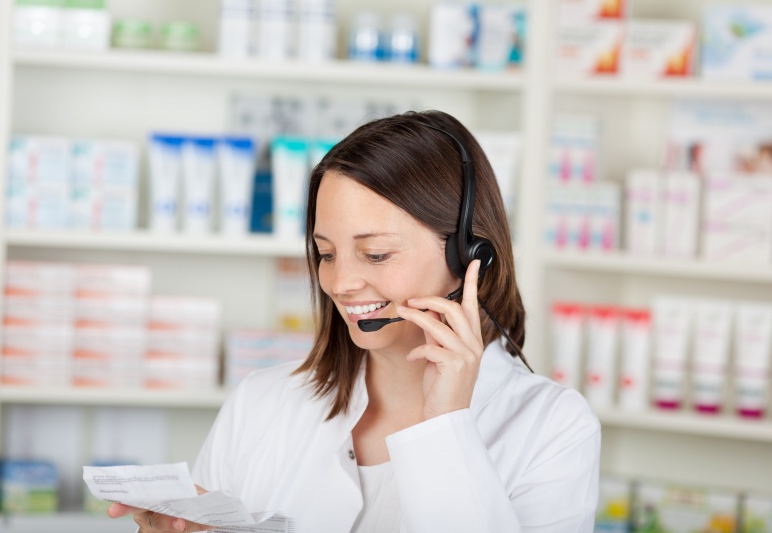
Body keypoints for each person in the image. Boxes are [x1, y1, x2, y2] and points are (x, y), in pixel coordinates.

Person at [108, 110, 601, 532]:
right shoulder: (260, 403)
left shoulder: (552, 426)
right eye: (325, 253)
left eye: (376, 254)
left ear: (470, 254)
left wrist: (447, 425)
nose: (340, 283)